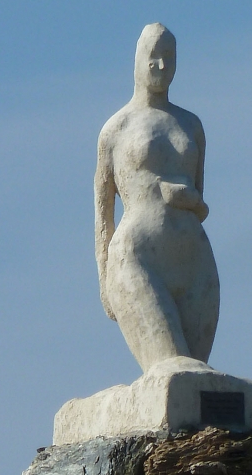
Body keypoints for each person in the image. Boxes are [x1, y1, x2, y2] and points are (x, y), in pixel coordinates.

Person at [94, 23, 220, 373]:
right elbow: (103, 210)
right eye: (154, 59)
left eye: (169, 59)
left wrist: (186, 198)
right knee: (170, 368)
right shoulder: (115, 129)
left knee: (197, 377)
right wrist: (105, 282)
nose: (162, 68)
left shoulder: (191, 125)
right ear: (137, 61)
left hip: (194, 261)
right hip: (138, 256)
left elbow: (201, 202)